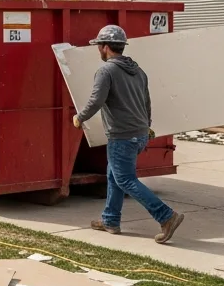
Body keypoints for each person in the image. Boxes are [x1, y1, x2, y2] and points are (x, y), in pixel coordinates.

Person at [73, 25, 184, 244]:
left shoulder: (106, 71)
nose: (99, 51)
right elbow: (146, 103)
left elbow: (97, 100)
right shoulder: (138, 71)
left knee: (124, 179)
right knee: (113, 176)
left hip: (122, 135)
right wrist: (147, 126)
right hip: (140, 133)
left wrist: (80, 117)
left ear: (105, 47)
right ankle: (110, 220)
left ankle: (166, 216)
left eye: (99, 47)